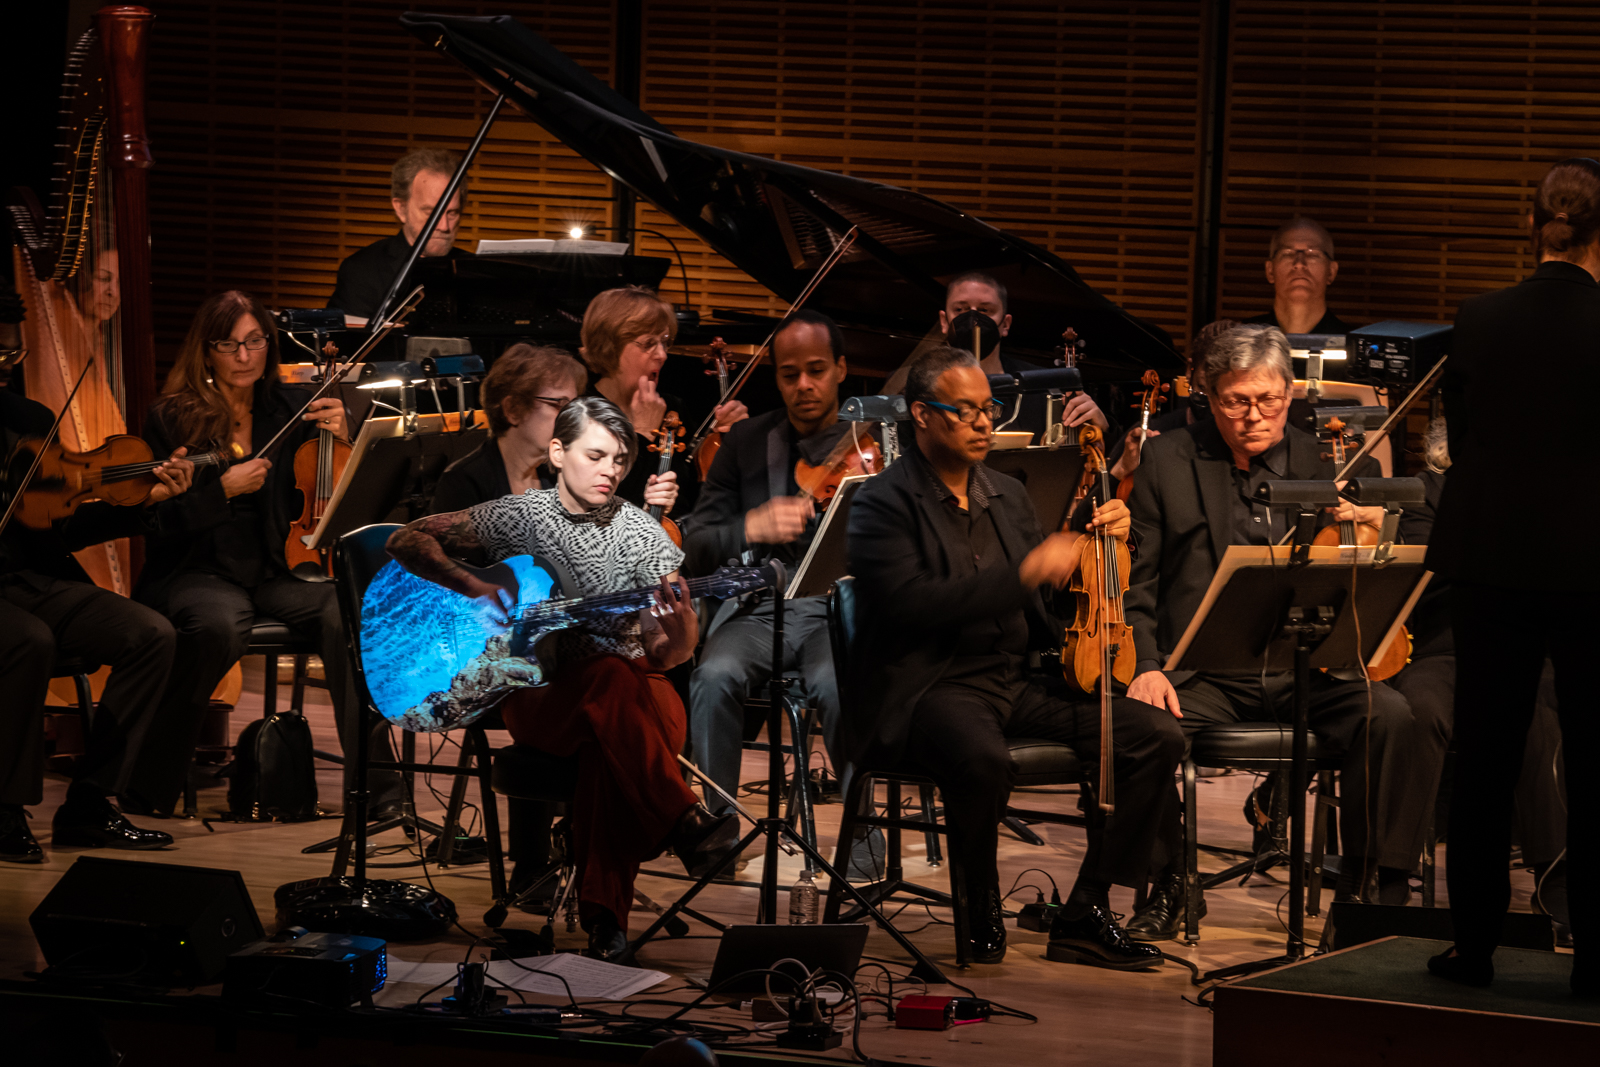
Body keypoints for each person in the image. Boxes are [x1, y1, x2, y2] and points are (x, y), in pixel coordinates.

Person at [842, 344, 1183, 968]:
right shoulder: (879, 502)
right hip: (928, 687)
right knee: (981, 758)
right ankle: (979, 909)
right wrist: (1029, 571)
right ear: (921, 414)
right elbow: (909, 606)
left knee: (1152, 735)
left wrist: (1096, 542)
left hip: (1013, 680)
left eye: (988, 408)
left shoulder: (1006, 491)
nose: (983, 422)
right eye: (965, 410)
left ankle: (1085, 909)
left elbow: (1045, 601)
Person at [386, 396, 740, 960]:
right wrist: (475, 589)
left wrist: (680, 633)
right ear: (558, 452)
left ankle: (609, 921)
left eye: (620, 460)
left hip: (634, 689)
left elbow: (665, 653)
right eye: (595, 455)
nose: (610, 471)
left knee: (616, 702)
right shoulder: (516, 518)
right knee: (609, 683)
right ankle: (675, 826)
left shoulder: (644, 535)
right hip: (541, 692)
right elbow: (405, 540)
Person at [1122, 324, 1446, 938]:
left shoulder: (1326, 459)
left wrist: (1369, 529)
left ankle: (1370, 891)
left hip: (1306, 667)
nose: (1252, 416)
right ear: (1209, 397)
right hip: (1203, 674)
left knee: (1391, 716)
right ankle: (1171, 885)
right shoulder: (1167, 460)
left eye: (1267, 400)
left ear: (1290, 391)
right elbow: (1137, 586)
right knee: (1143, 730)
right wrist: (1145, 666)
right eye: (1235, 401)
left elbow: (1357, 573)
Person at [1425, 158, 1600, 995]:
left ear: (1536, 228)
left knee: (1486, 755)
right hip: (1591, 568)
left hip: (1491, 562)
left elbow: (1465, 441)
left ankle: (1474, 947)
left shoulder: (1480, 317)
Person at [131, 290, 401, 815]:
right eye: (229, 344)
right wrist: (222, 491)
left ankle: (379, 792)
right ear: (205, 351)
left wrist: (341, 438)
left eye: (255, 341)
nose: (244, 356)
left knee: (340, 612)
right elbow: (155, 522)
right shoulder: (171, 418)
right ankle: (151, 785)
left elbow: (332, 497)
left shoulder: (290, 408)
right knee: (215, 627)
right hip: (199, 569)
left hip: (279, 568)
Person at [428, 342, 675, 907]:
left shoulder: (557, 485)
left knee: (606, 709)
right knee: (604, 698)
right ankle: (612, 870)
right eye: (557, 404)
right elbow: (455, 596)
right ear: (514, 410)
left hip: (562, 664)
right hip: (484, 663)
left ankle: (569, 879)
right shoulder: (466, 484)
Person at [682, 310, 877, 878]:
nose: (804, 386)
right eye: (790, 375)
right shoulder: (746, 442)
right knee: (712, 677)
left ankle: (862, 840)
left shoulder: (873, 447)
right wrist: (752, 527)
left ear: (841, 369)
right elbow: (694, 543)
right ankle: (716, 837)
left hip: (833, 612)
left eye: (817, 371)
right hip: (759, 608)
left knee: (837, 687)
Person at [2, 381, 192, 859]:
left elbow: (61, 527)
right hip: (17, 608)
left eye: (9, 357)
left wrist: (145, 502)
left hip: (30, 581)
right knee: (30, 640)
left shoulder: (30, 419)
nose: (5, 370)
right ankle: (3, 809)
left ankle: (90, 803)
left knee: (150, 634)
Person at [884, 273, 1114, 443]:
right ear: (944, 322)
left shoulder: (1042, 388)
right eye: (961, 310)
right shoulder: (910, 386)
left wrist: (1097, 429)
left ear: (1005, 324)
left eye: (984, 311)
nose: (973, 319)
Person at [579, 286, 745, 513]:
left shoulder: (672, 410)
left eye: (665, 342)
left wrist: (731, 442)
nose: (662, 355)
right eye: (648, 343)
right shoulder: (581, 414)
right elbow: (596, 510)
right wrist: (642, 433)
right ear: (610, 346)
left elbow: (692, 504)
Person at [327, 147, 472, 321]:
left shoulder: (474, 272)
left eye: (453, 213)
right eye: (431, 213)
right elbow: (345, 345)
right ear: (401, 209)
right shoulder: (363, 271)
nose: (444, 226)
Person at [1245, 217, 1350, 335]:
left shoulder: (1355, 347)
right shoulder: (1238, 341)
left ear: (1331, 271)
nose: (1299, 264)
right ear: (1270, 270)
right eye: (1287, 254)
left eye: (1313, 254)